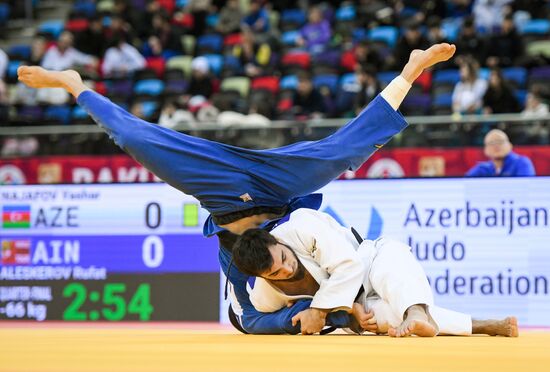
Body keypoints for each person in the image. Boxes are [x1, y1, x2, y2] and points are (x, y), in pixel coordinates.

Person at [17, 43, 457, 334]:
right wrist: (302, 317)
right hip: (238, 192)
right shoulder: (240, 263)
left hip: (256, 186)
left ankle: (408, 72)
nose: (284, 270)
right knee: (135, 140)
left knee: (338, 152)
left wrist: (324, 309)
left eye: (281, 266)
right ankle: (76, 84)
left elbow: (347, 258)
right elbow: (246, 319)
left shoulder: (300, 232)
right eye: (281, 270)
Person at [231, 209, 519, 337]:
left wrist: (319, 310)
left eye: (283, 258)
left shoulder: (301, 226)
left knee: (393, 259)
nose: (287, 269)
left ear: (277, 240)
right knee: (388, 319)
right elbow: (254, 318)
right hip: (358, 309)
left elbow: (348, 266)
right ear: (265, 277)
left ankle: (417, 311)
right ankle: (483, 326)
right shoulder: (266, 291)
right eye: (276, 273)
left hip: (368, 260)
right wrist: (335, 314)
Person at [466, 129, 535, 177]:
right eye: (491, 143)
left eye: (500, 141)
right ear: (485, 150)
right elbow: (465, 185)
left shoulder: (522, 163)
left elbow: (526, 188)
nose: (496, 146)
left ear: (510, 145)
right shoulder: (482, 168)